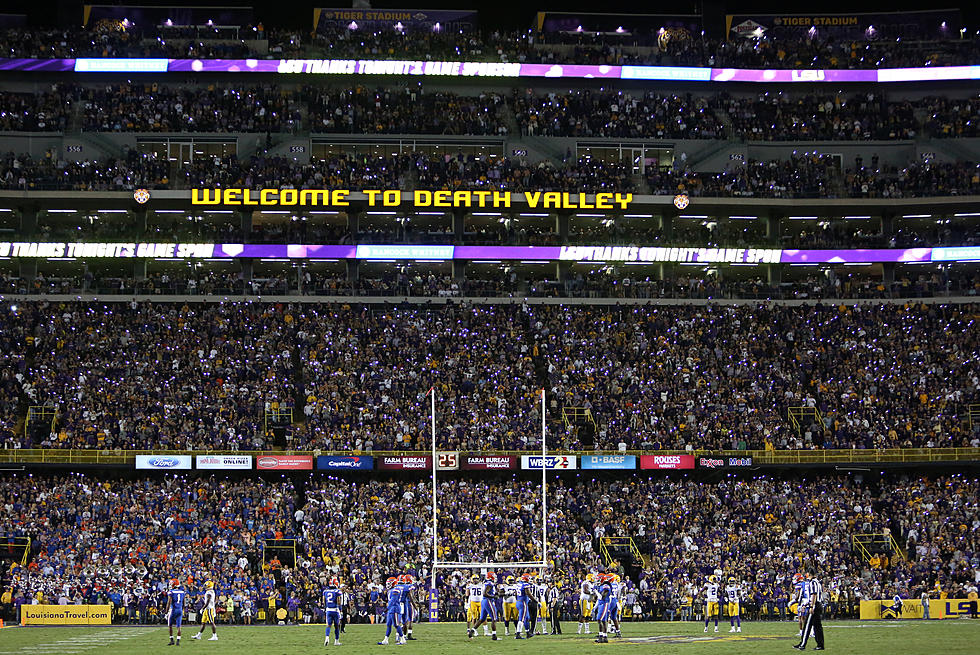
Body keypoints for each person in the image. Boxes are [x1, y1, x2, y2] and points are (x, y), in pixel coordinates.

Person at [795, 574, 824, 651]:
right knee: (818, 627)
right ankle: (820, 645)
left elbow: (813, 595)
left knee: (807, 626)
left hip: (815, 605)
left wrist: (811, 606)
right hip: (819, 604)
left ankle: (802, 644)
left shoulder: (812, 583)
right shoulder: (818, 583)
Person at [469, 571, 498, 640]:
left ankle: (472, 631)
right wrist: (493, 597)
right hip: (488, 601)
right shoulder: (489, 583)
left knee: (482, 619)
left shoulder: (486, 582)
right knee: (494, 618)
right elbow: (485, 593)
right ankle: (494, 635)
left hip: (484, 601)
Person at [377, 576, 405, 646]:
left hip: (395, 609)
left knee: (396, 624)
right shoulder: (391, 590)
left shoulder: (396, 589)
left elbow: (393, 600)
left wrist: (387, 608)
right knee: (388, 624)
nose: (388, 584)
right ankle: (386, 640)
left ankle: (402, 639)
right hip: (391, 609)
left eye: (389, 583)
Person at [323, 577, 342, 646]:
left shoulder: (325, 591)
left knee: (328, 625)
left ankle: (327, 638)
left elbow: (323, 601)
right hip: (335, 610)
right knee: (337, 626)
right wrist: (340, 608)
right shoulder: (337, 591)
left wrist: (326, 608)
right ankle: (336, 641)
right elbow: (338, 601)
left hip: (328, 610)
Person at [593, 573, 612, 643]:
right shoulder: (601, 586)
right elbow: (597, 598)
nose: (596, 580)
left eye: (598, 579)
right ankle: (605, 637)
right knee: (603, 621)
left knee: (599, 619)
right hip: (601, 603)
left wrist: (595, 591)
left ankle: (601, 637)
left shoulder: (606, 586)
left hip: (604, 604)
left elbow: (602, 597)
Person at [166, 579, 185, 646]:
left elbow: (169, 602)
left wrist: (166, 611)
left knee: (170, 625)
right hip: (180, 609)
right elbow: (184, 602)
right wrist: (183, 609)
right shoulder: (182, 592)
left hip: (173, 610)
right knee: (178, 626)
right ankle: (178, 641)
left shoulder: (171, 592)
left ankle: (172, 640)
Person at [398, 575, 417, 640]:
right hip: (408, 604)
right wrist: (415, 605)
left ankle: (403, 635)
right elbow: (411, 597)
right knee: (410, 620)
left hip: (403, 604)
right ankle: (408, 634)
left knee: (404, 621)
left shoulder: (402, 586)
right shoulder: (409, 587)